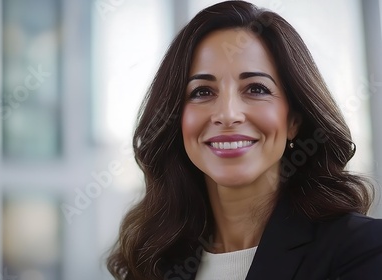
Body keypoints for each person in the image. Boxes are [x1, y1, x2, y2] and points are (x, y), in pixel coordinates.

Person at [106, 1, 382, 279]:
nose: (227, 114)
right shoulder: (153, 261)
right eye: (202, 92)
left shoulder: (362, 250)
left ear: (294, 120)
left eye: (256, 89)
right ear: (176, 120)